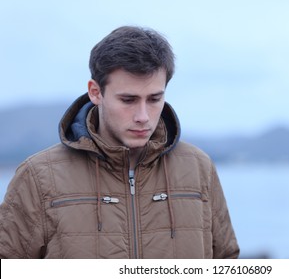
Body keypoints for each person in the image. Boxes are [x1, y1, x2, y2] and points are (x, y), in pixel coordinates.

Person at [0, 26, 239, 259]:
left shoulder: (199, 168)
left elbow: (226, 261)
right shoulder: (39, 177)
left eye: (155, 99)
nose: (143, 116)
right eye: (128, 100)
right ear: (95, 92)